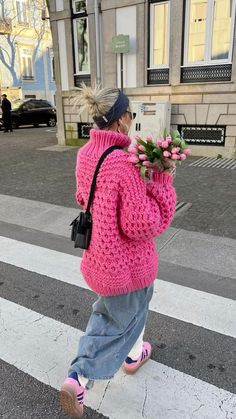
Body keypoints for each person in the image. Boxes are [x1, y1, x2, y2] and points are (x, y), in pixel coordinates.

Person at [60, 84, 177, 418]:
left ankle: (134, 354)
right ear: (121, 119)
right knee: (114, 322)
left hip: (98, 256)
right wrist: (161, 180)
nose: (132, 119)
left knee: (128, 312)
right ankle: (78, 377)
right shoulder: (123, 164)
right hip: (127, 264)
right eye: (131, 113)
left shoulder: (85, 154)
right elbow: (143, 224)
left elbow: (83, 198)